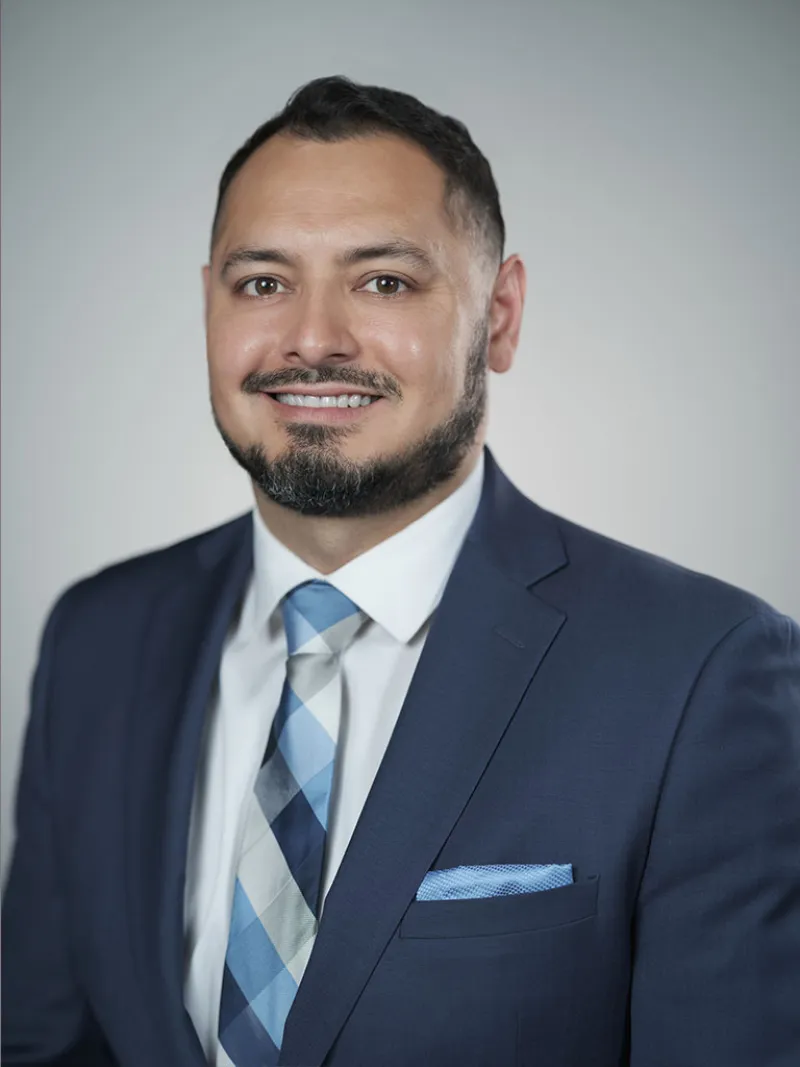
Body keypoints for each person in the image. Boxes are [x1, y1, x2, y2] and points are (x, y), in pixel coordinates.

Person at [2, 75, 799, 1067]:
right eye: (262, 282)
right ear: (206, 303)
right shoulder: (98, 635)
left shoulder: (701, 670)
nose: (313, 338)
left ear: (498, 316)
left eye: (383, 281)